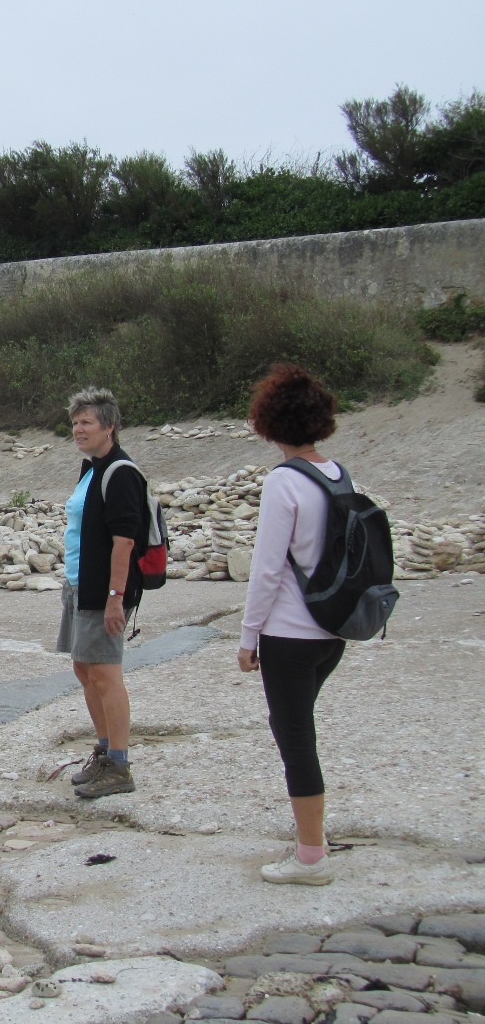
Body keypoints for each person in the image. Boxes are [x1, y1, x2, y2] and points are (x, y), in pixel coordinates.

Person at [239, 363, 347, 886]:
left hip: (290, 632)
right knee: (300, 728)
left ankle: (310, 857)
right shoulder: (337, 473)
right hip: (333, 629)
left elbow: (267, 568)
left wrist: (247, 635)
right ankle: (312, 840)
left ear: (269, 422)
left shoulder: (284, 481)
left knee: (295, 737)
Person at [57, 388, 149, 799]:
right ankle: (105, 750)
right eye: (75, 423)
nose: (78, 429)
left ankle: (120, 766)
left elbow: (124, 541)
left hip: (104, 591)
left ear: (109, 427)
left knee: (106, 674)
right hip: (79, 584)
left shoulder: (121, 472)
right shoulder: (91, 468)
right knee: (83, 669)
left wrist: (116, 597)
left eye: (86, 422)